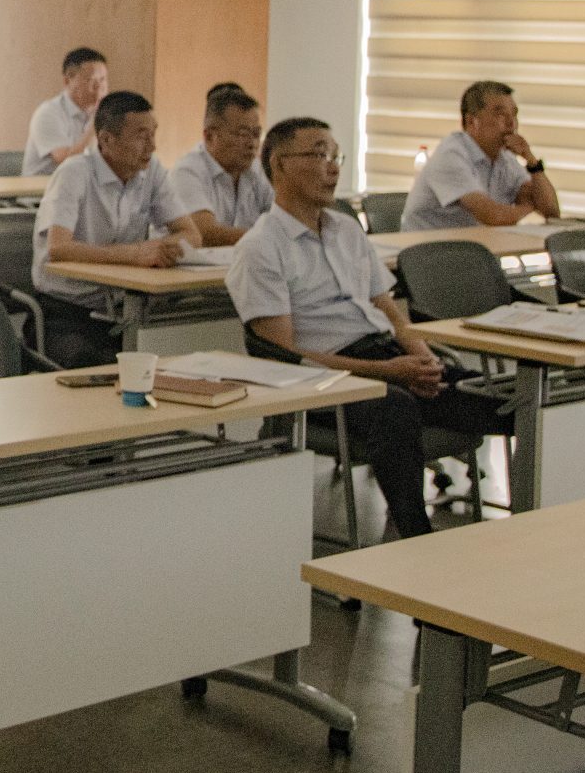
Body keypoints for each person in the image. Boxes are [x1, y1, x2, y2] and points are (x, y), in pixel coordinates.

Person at [232, 117, 511, 539]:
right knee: (394, 407)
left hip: (387, 358)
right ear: (280, 164)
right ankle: (415, 539)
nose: (332, 167)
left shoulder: (346, 229)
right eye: (319, 154)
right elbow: (286, 359)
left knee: (503, 398)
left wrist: (425, 361)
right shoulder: (260, 248)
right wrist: (387, 373)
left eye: (336, 156)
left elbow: (392, 314)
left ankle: (537, 522)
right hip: (326, 382)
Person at [29, 91, 203, 369]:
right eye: (141, 136)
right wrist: (135, 254)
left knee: (176, 361)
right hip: (67, 311)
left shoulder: (152, 171)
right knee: (113, 369)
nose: (152, 146)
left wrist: (167, 248)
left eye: (153, 134)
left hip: (126, 308)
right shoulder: (74, 172)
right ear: (106, 139)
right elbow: (58, 248)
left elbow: (191, 234)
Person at [403, 81, 561, 231]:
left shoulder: (505, 158)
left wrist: (531, 161)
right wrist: (528, 207)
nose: (511, 123)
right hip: (427, 248)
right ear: (471, 122)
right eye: (500, 114)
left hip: (474, 246)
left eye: (514, 114)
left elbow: (551, 212)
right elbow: (493, 216)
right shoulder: (450, 155)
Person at [168, 83, 275, 246]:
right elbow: (205, 233)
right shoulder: (187, 172)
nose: (252, 143)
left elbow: (284, 220)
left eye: (256, 134)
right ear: (210, 137)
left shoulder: (258, 170)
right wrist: (272, 239)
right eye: (243, 134)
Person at [24, 47, 109, 177]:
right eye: (91, 80)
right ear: (67, 81)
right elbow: (67, 162)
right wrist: (96, 125)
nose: (99, 87)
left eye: (102, 79)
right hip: (43, 188)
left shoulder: (102, 112)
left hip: (81, 185)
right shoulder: (48, 113)